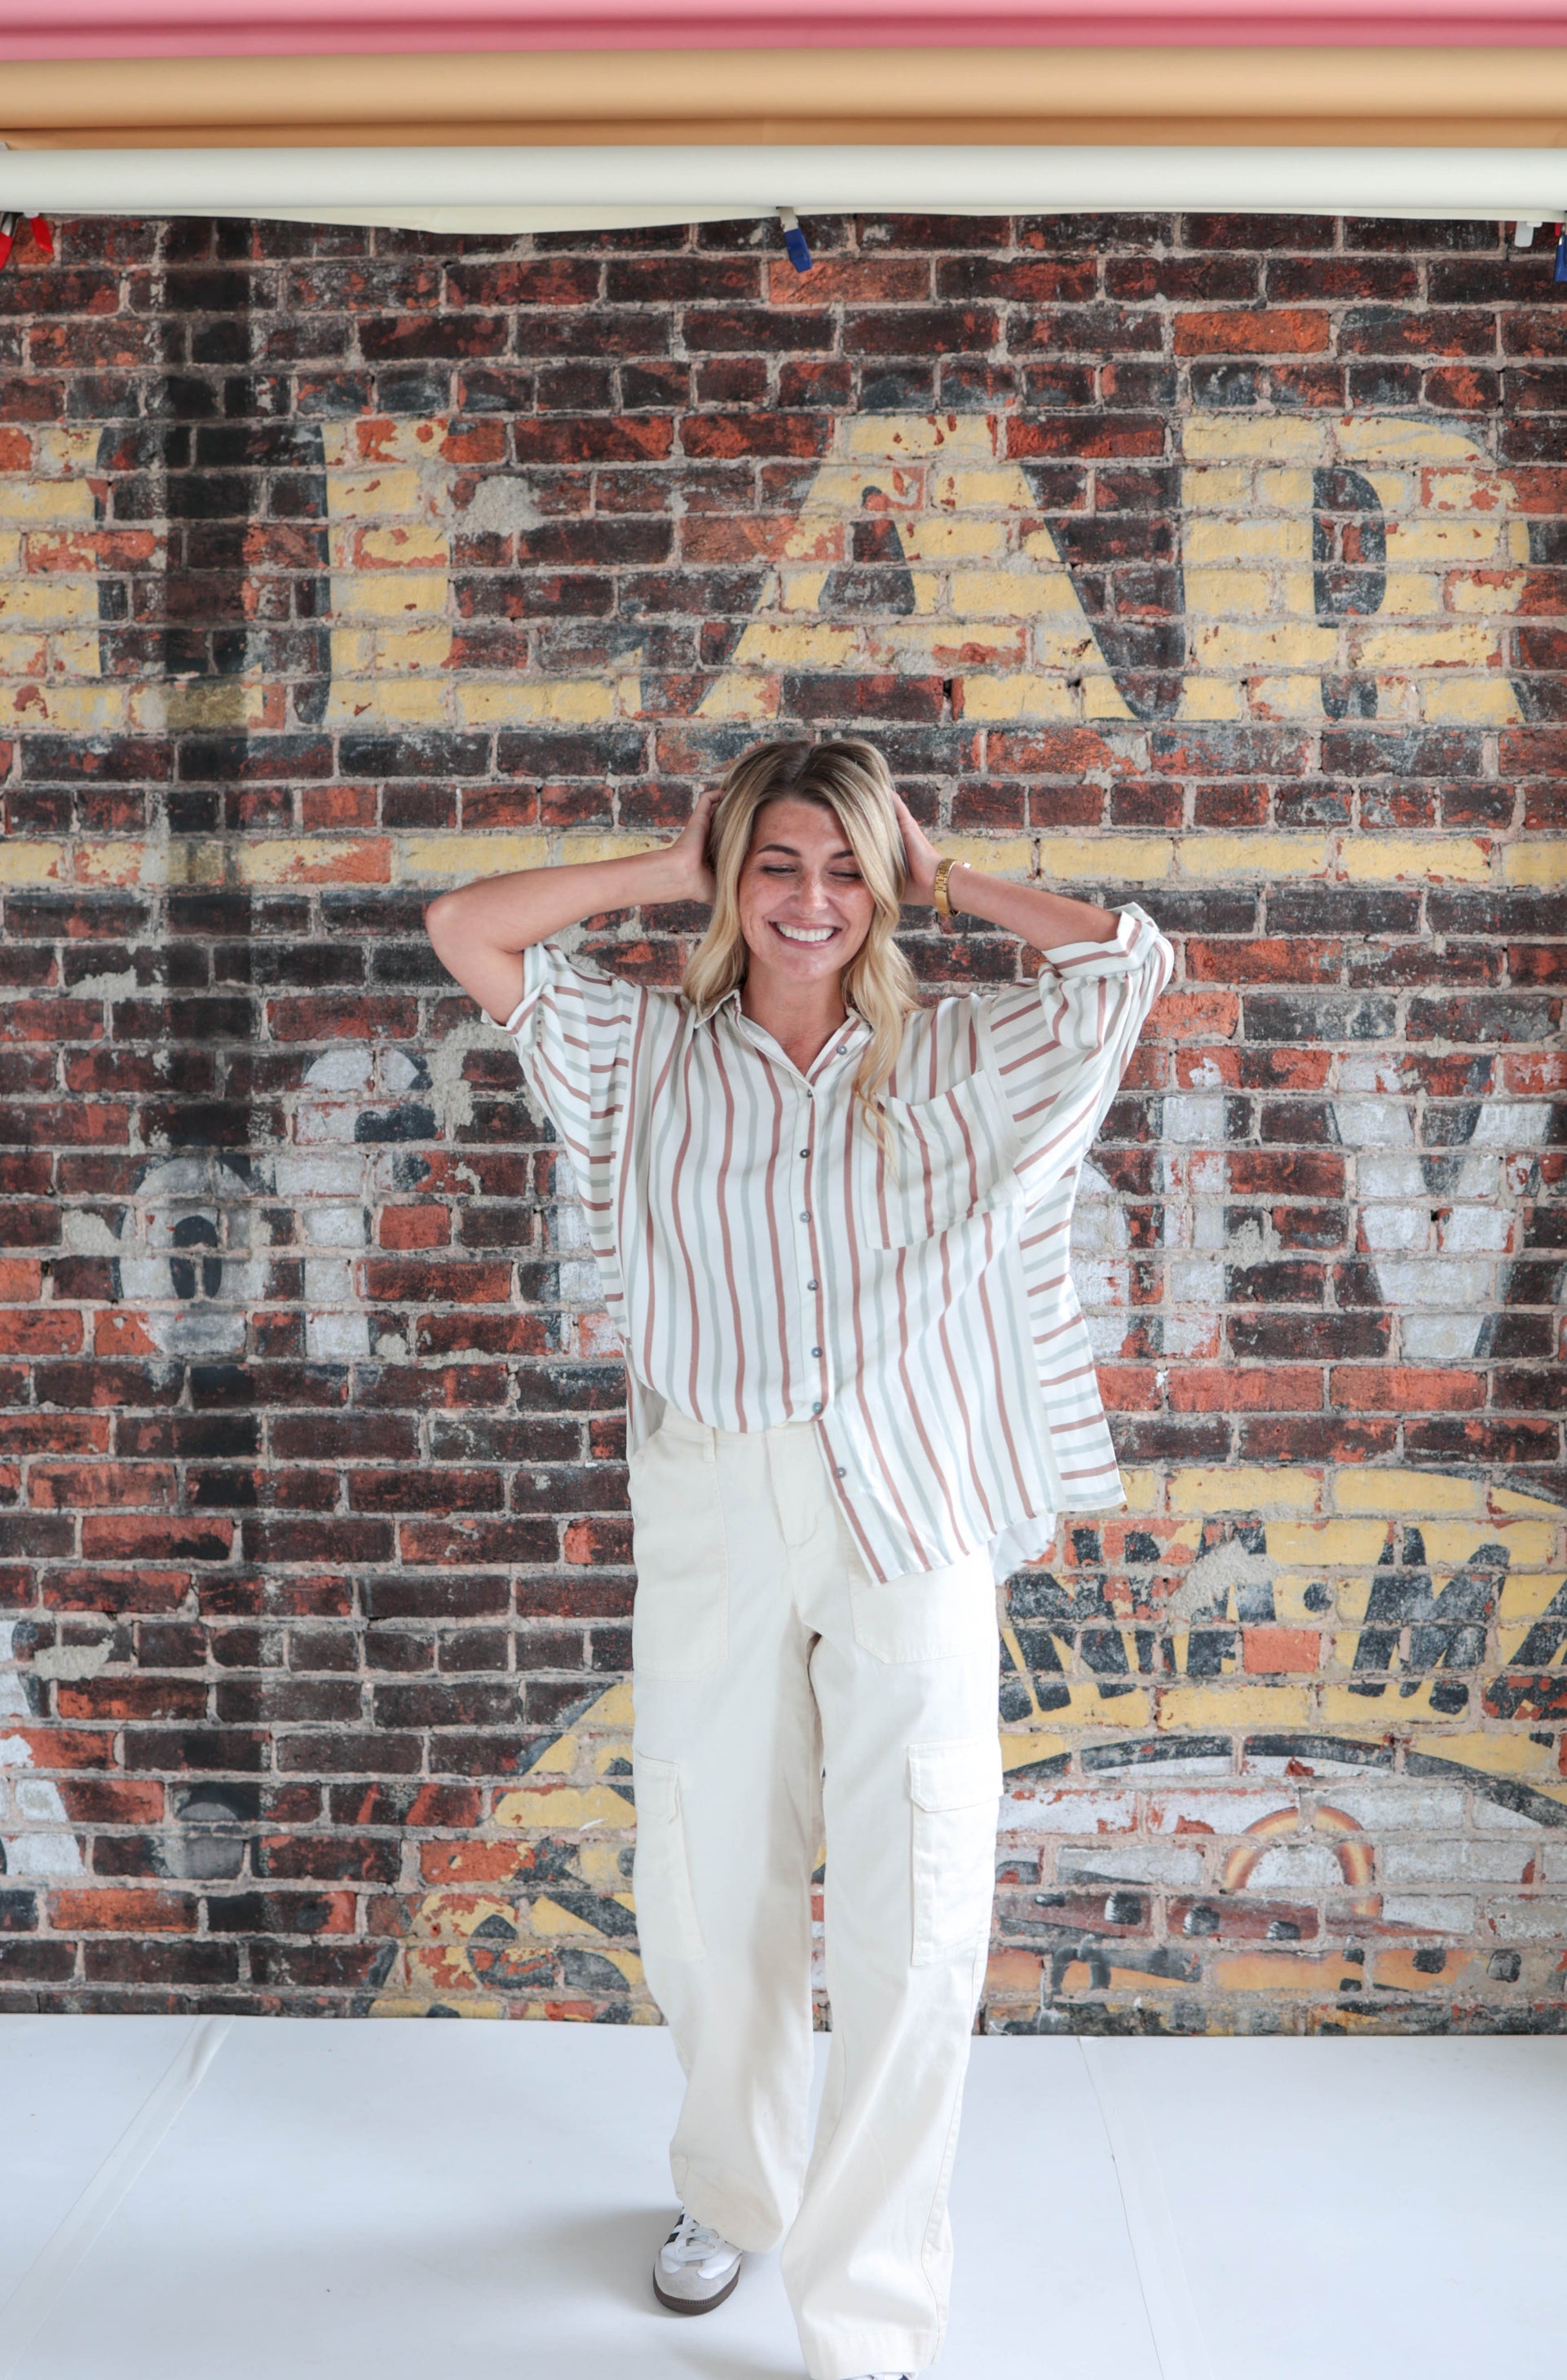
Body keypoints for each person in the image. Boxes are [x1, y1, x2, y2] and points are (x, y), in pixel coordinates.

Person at [424, 738, 1172, 2380]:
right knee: (703, 1883)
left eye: (842, 868)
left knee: (916, 1897)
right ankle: (731, 2188)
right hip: (717, 1495)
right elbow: (468, 929)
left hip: (910, 1499)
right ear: (731, 876)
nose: (811, 902)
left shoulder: (962, 1049)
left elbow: (1129, 968)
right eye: (777, 864)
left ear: (881, 879)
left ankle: (872, 2308)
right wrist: (656, 867)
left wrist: (943, 865)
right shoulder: (645, 1056)